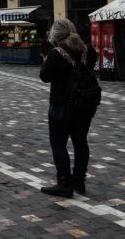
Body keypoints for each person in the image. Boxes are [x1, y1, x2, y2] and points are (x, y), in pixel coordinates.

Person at [39, 19, 99, 197]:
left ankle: (64, 183)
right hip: (84, 105)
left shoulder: (56, 53)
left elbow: (44, 76)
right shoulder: (88, 50)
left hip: (61, 106)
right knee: (80, 141)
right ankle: (79, 181)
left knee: (58, 144)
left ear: (55, 35)